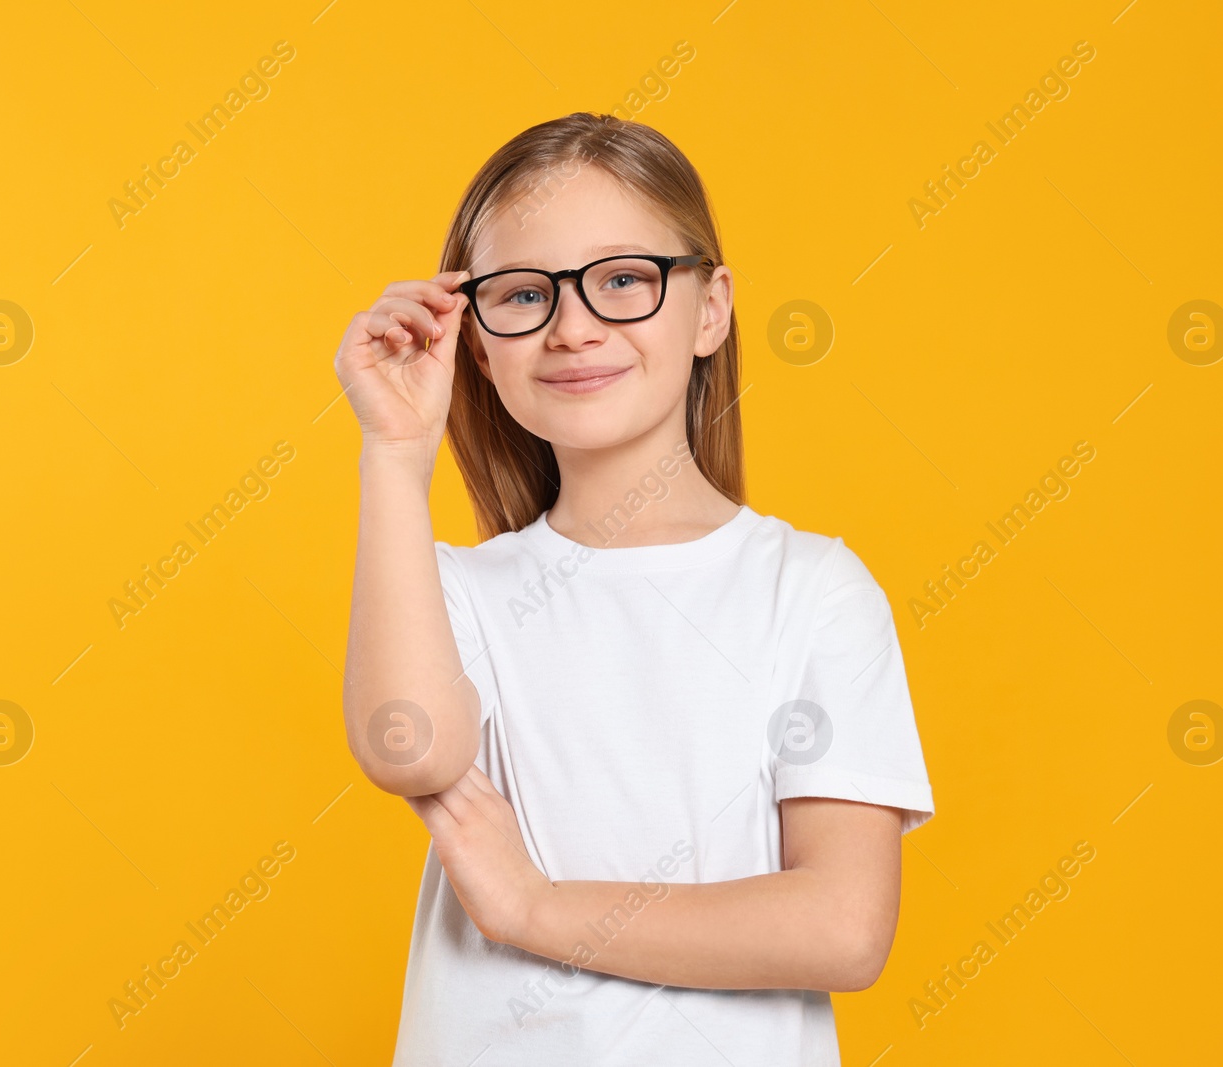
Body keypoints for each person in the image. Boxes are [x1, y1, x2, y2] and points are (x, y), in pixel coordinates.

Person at [335, 111, 935, 1066]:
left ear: (710, 309)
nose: (574, 328)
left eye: (622, 280)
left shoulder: (811, 589)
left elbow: (842, 925)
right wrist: (396, 454)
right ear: (478, 347)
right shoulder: (460, 592)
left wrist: (536, 908)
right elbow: (408, 746)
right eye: (525, 295)